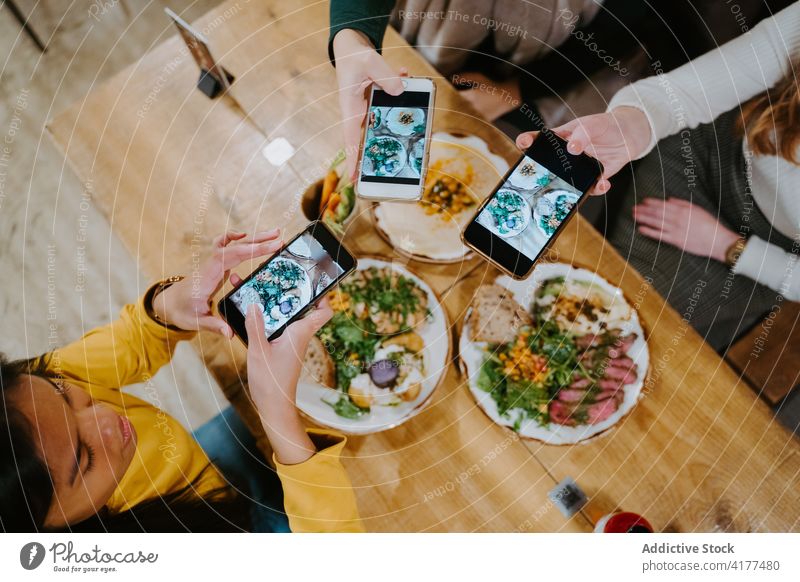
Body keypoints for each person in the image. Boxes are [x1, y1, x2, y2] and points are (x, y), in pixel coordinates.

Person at [0, 230, 364, 532]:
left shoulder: (24, 404)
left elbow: (133, 341)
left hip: (209, 472)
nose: (106, 415)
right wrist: (277, 413)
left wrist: (169, 307)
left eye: (65, 394)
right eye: (85, 458)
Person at [515, 3, 800, 349]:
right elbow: (694, 90)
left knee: (614, 320)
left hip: (768, 247)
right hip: (717, 147)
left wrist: (730, 246)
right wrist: (631, 123)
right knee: (579, 259)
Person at [329, 0, 662, 179]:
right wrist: (352, 36)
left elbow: (621, 24)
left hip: (561, 55)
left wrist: (516, 89)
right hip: (428, 26)